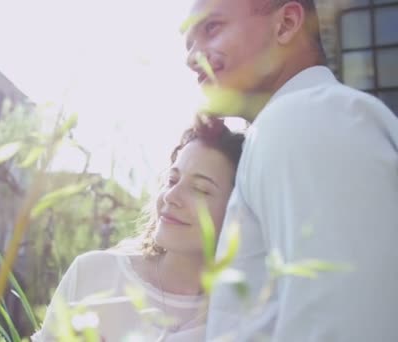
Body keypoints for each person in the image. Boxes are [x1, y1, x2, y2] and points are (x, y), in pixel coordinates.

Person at [183, 0, 398, 341]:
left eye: (212, 28)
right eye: (188, 44)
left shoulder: (305, 117)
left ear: (285, 24)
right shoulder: (293, 125)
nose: (192, 57)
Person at [32, 121, 245, 341]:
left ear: (237, 209)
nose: (171, 196)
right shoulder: (93, 274)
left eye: (200, 190)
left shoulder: (246, 316)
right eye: (172, 180)